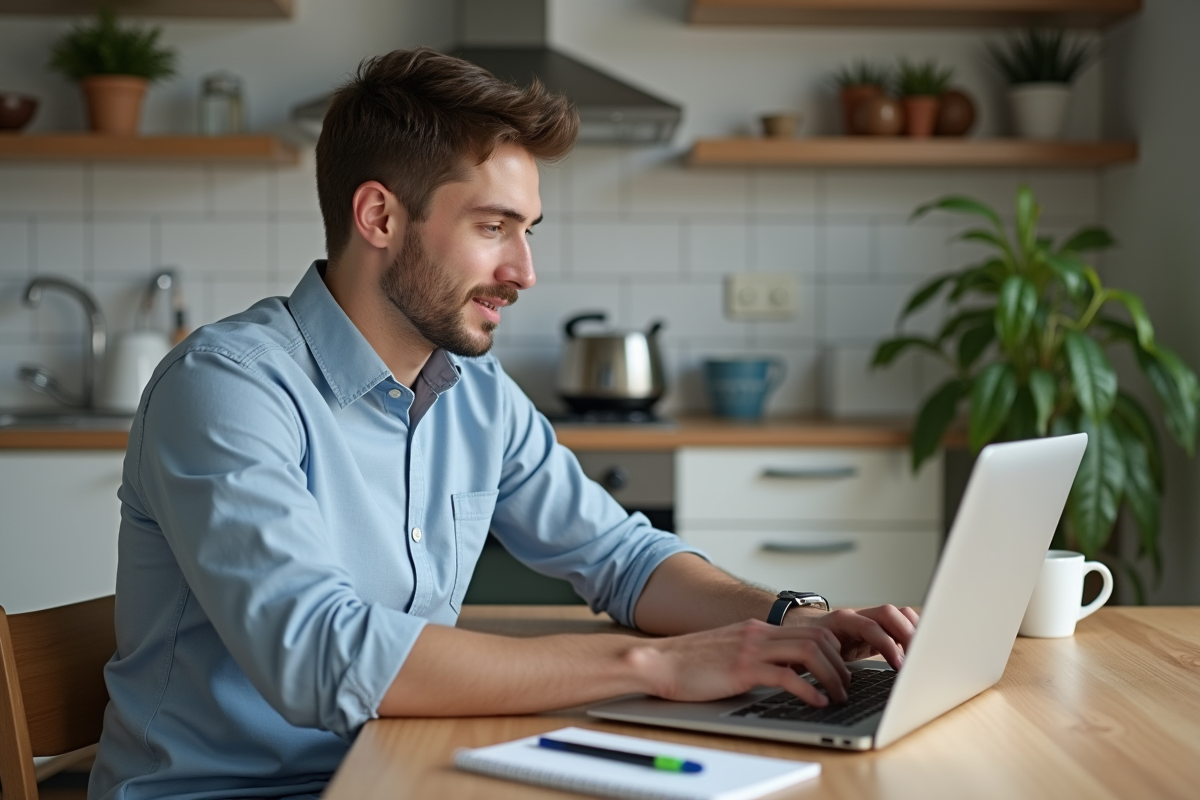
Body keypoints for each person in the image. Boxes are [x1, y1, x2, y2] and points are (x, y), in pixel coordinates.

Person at [90, 48, 918, 800]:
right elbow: (321, 656)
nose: (523, 271)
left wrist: (790, 619)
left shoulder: (476, 393)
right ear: (379, 217)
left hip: (400, 770)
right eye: (493, 227)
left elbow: (623, 560)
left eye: (527, 231)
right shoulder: (227, 387)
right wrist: (659, 664)